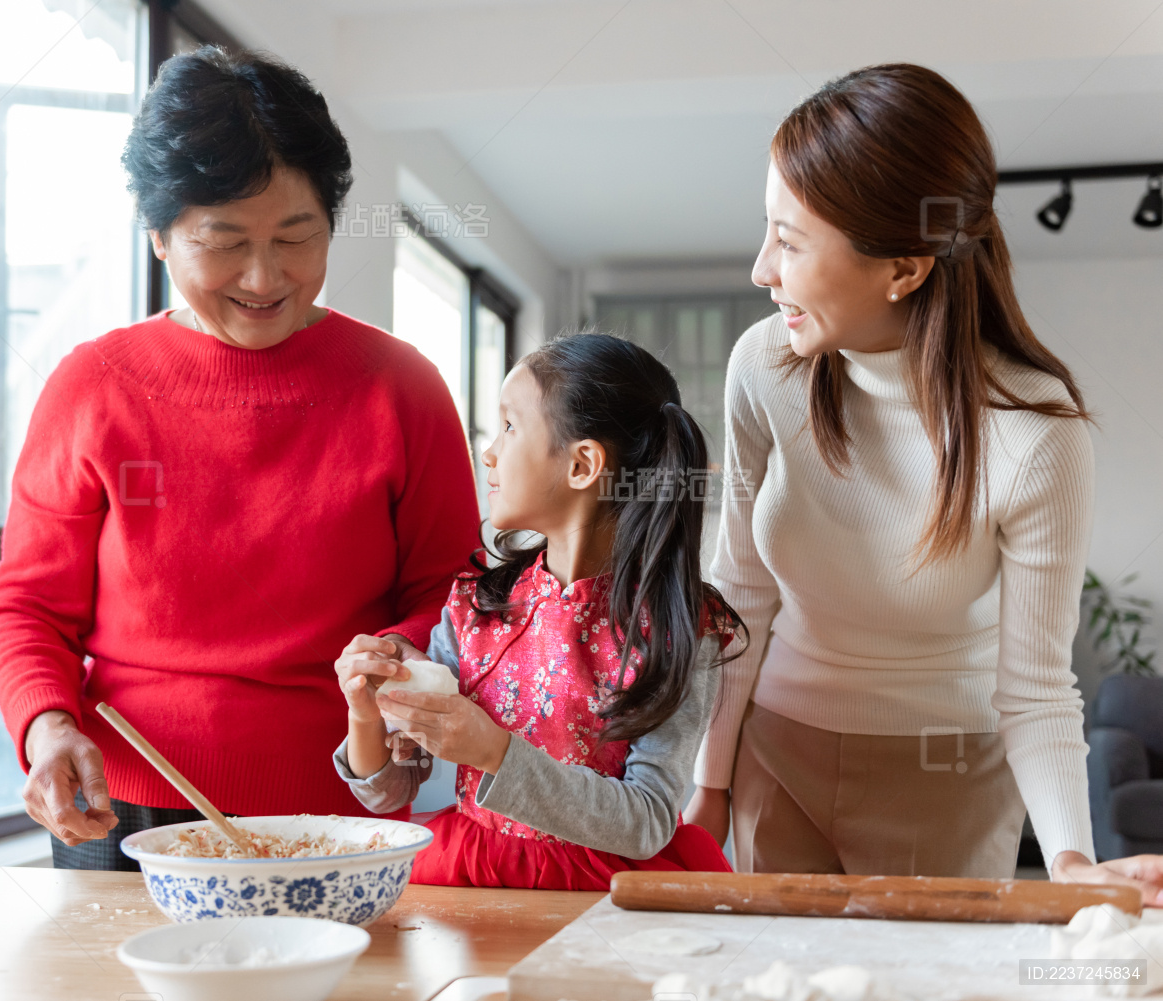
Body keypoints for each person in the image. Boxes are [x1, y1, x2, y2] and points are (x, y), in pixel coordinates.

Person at [0, 46, 479, 869]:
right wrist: (47, 726)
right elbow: (29, 606)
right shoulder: (93, 388)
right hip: (125, 811)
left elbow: (450, 596)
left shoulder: (402, 390)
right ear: (159, 236)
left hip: (332, 815)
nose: (265, 276)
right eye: (225, 241)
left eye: (297, 237)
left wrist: (390, 663)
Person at [681, 64, 1138, 895]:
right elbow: (739, 589)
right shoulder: (764, 367)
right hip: (774, 751)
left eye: (789, 242)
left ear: (904, 267)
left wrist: (1072, 859)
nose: (760, 270)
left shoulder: (1035, 437)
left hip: (949, 780)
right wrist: (707, 783)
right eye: (767, 231)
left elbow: (1036, 685)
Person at [332, 333, 743, 891]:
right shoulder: (475, 606)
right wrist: (365, 712)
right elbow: (389, 793)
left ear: (582, 464)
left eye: (509, 425)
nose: (488, 451)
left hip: (610, 894)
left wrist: (493, 751)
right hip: (472, 878)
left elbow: (646, 821)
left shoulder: (678, 629)